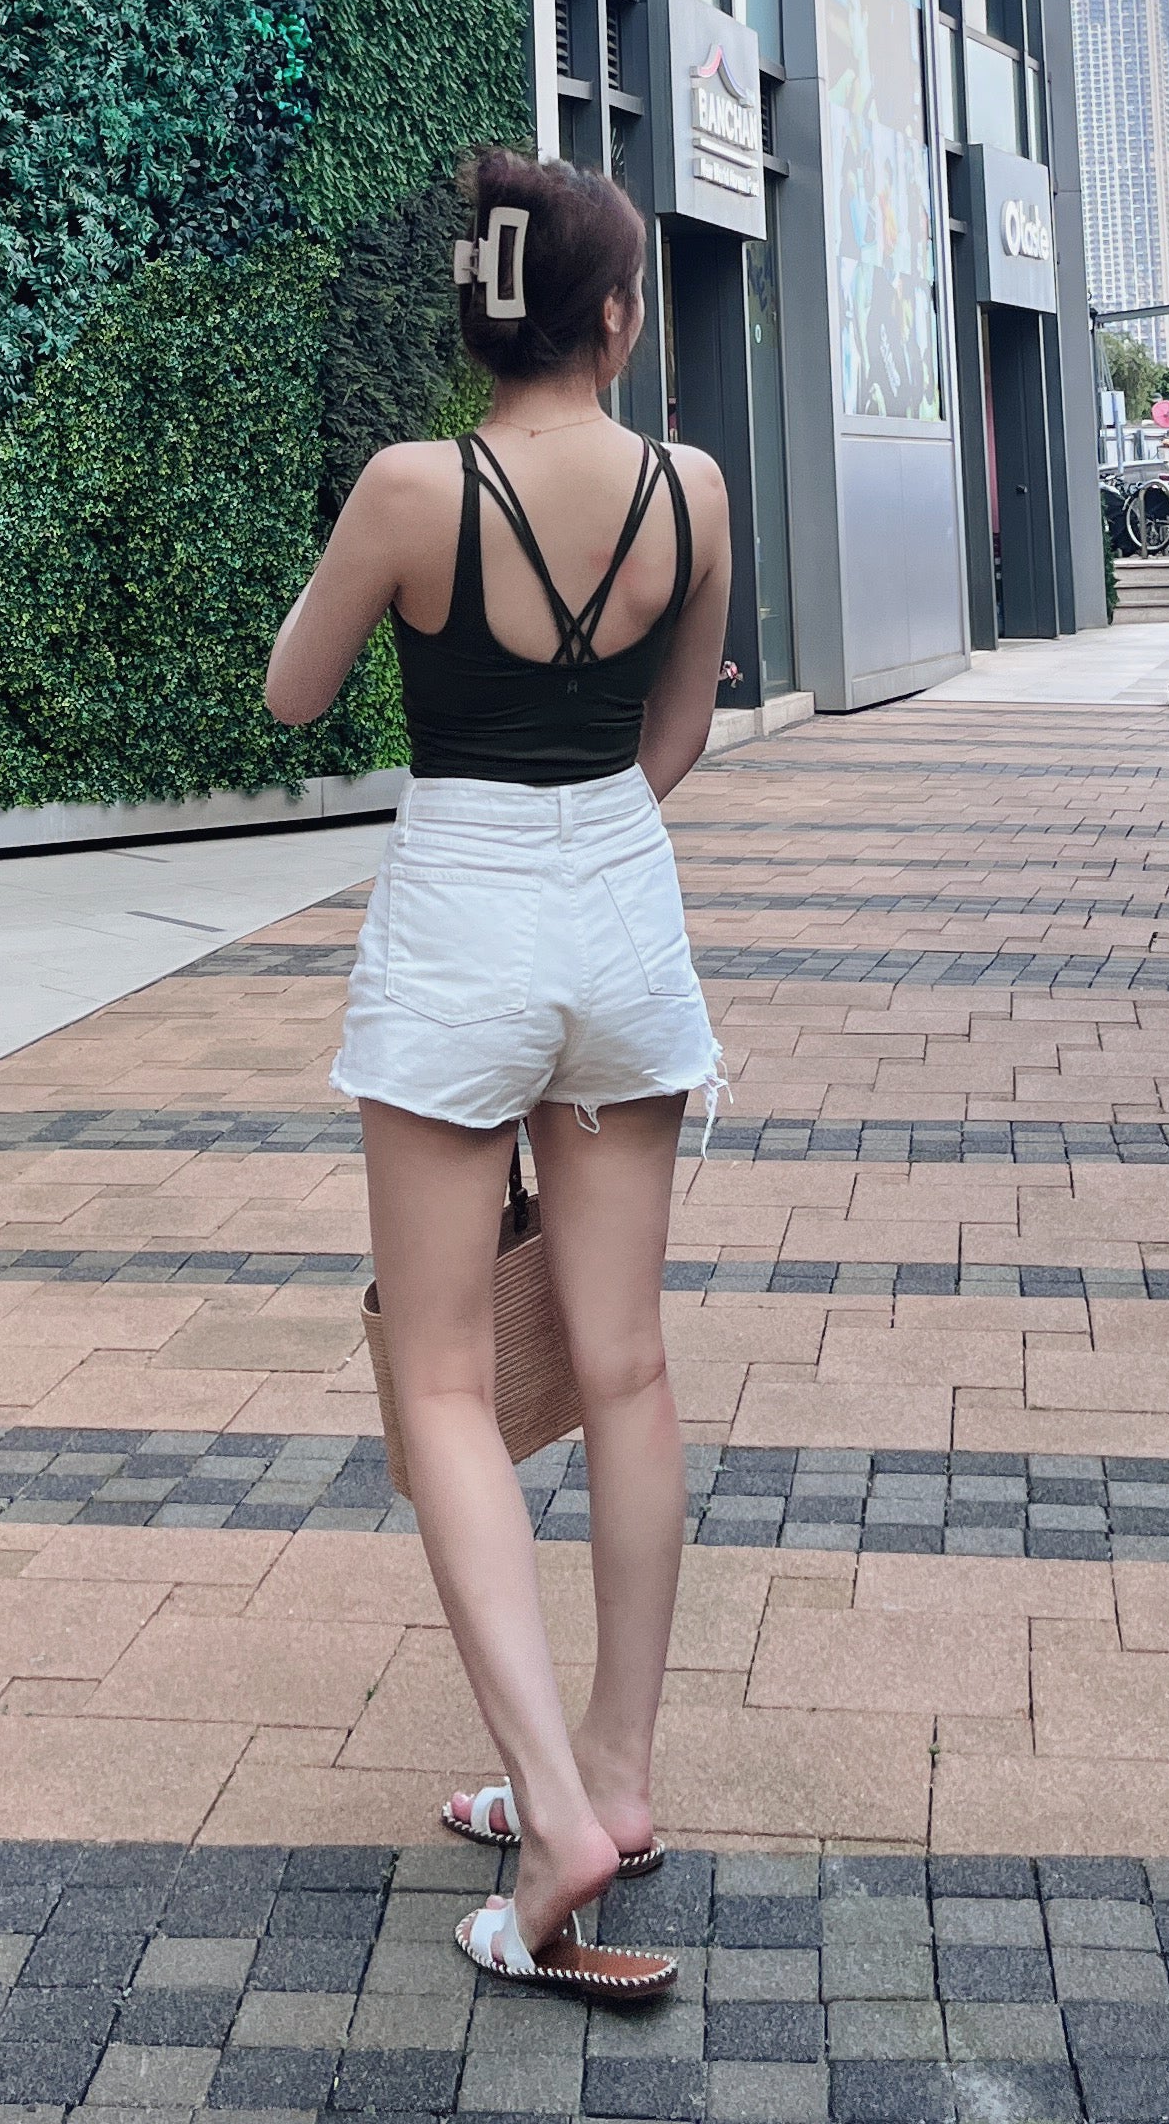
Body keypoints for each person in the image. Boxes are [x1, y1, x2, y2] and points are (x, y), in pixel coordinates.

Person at [264, 150, 733, 2007]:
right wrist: (590, 852)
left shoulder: (407, 488)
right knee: (623, 1366)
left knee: (446, 1378)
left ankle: (549, 1815)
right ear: (613, 315)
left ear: (481, 315)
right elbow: (679, 722)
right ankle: (616, 1772)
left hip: (457, 909)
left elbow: (299, 694)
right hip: (623, 901)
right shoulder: (692, 487)